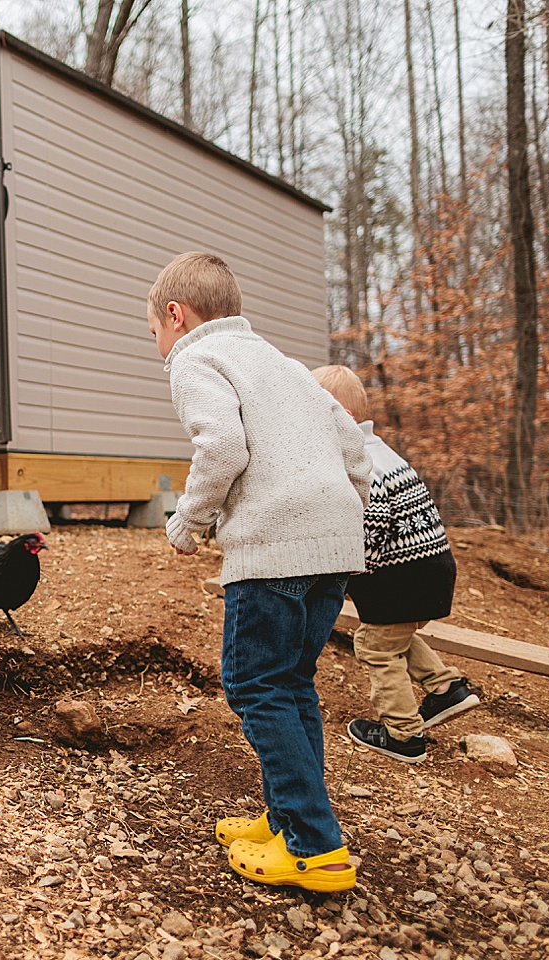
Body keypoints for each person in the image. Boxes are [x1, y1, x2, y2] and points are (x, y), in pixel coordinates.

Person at [148, 251, 370, 893]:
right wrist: (347, 508)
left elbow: (221, 447)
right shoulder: (281, 361)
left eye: (156, 332)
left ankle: (314, 847)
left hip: (274, 546)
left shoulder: (195, 357)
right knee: (291, 682)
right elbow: (350, 438)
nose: (159, 346)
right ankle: (288, 821)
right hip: (334, 543)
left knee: (254, 685)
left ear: (175, 314)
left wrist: (189, 521)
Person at [311, 365, 480, 764]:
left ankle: (403, 734)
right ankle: (446, 689)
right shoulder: (382, 451)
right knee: (393, 634)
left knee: (374, 646)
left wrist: (352, 568)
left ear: (342, 417)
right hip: (430, 568)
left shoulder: (359, 462)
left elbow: (374, 520)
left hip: (401, 575)